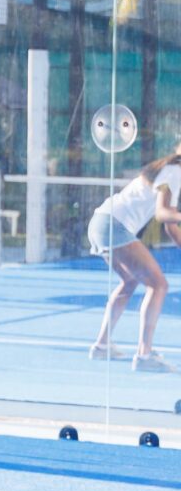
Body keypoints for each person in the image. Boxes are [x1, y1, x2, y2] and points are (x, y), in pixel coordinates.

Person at [87, 144, 181, 372]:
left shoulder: (169, 168)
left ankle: (102, 346)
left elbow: (170, 225)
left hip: (101, 221)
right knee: (158, 285)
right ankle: (144, 355)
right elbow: (163, 213)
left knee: (129, 281)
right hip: (114, 225)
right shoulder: (176, 171)